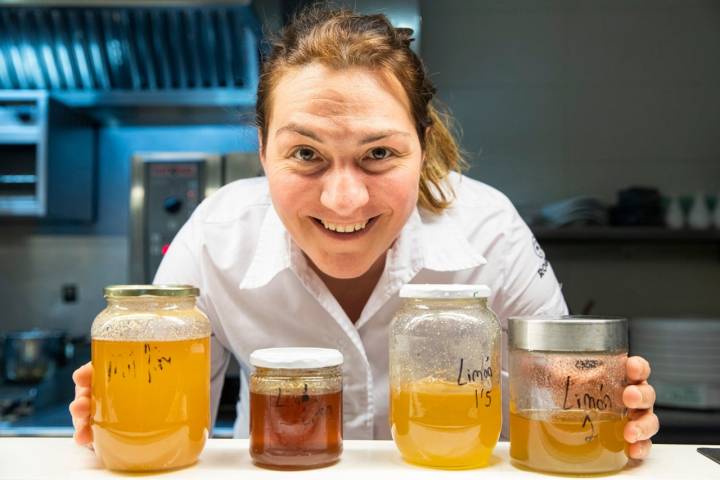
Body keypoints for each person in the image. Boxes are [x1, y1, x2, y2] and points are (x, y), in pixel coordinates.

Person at [70, 5, 658, 458]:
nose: (343, 199)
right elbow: (166, 429)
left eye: (378, 153)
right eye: (306, 153)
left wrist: (607, 410)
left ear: (422, 148)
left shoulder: (489, 229)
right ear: (262, 151)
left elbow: (563, 399)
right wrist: (120, 422)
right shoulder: (213, 236)